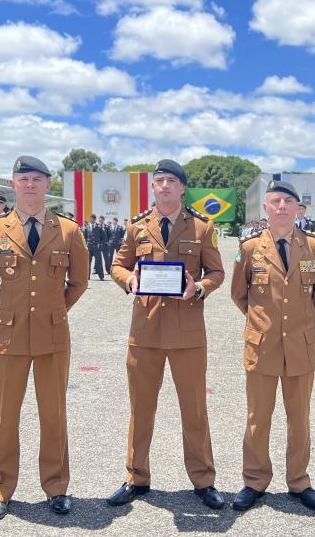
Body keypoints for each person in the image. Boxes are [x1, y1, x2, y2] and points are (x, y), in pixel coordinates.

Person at [108, 159, 226, 509]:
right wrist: (129, 280)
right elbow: (118, 264)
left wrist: (200, 288)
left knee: (194, 410)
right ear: (153, 187)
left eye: (171, 181)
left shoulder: (202, 228)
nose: (164, 186)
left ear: (182, 187)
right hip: (145, 331)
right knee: (141, 408)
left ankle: (204, 480)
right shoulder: (137, 226)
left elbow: (217, 272)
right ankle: (136, 476)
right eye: (158, 181)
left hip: (187, 332)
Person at [0, 156, 89, 523]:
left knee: (53, 414)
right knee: (4, 417)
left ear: (47, 186)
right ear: (12, 185)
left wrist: (55, 311)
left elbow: (79, 282)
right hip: (9, 336)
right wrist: (8, 309)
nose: (29, 185)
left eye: (37, 179)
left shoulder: (69, 231)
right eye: (23, 179)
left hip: (53, 335)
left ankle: (56, 487)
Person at [230, 180, 315, 512]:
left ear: (298, 209)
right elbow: (239, 294)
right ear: (266, 208)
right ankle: (255, 481)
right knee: (259, 417)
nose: (283, 207)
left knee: (299, 418)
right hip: (261, 345)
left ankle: (299, 481)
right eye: (276, 201)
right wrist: (265, 322)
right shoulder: (248, 248)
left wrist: (295, 321)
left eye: (289, 202)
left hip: (300, 347)